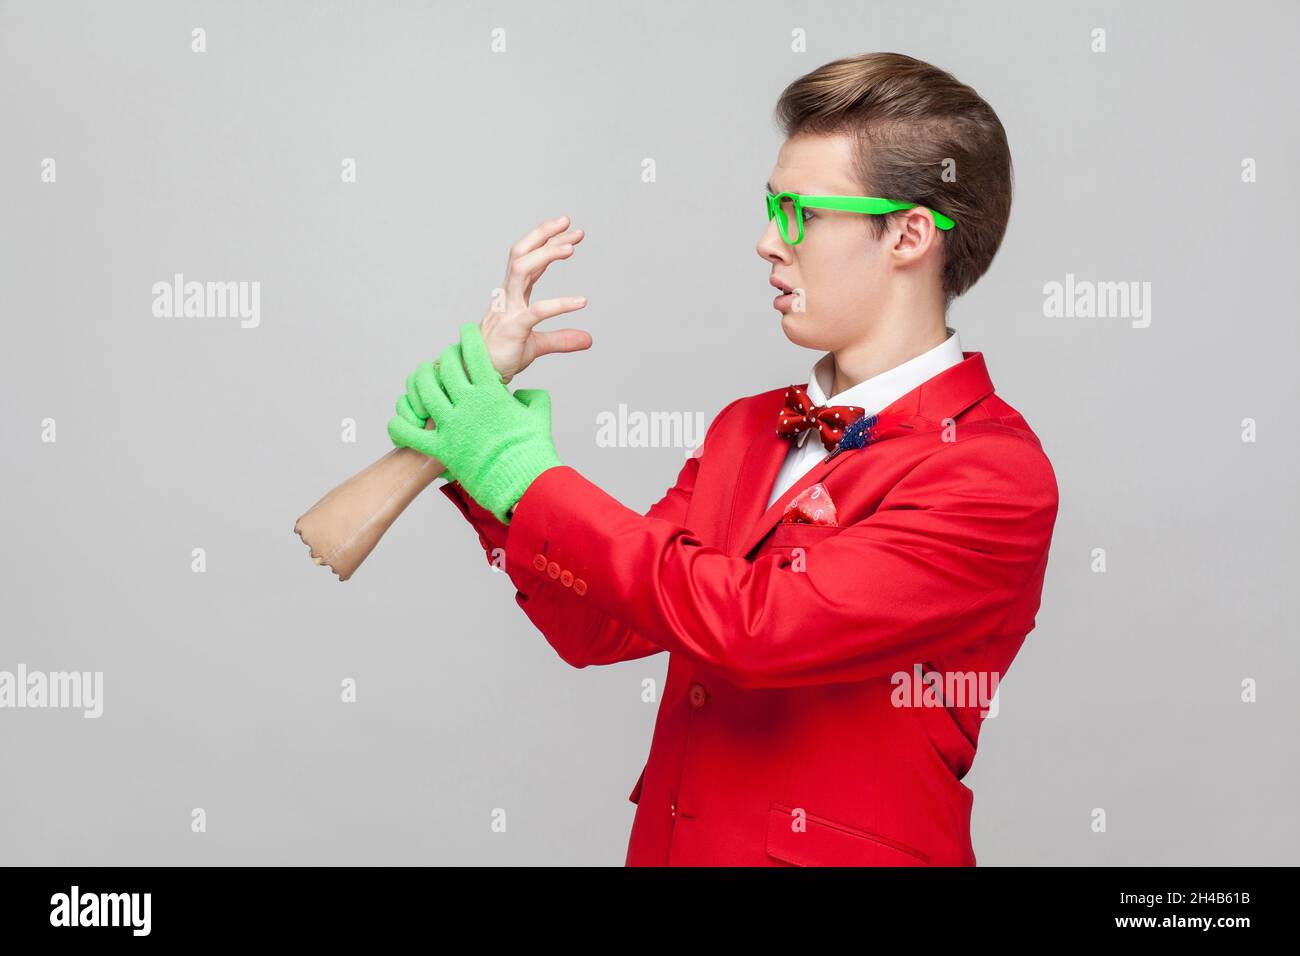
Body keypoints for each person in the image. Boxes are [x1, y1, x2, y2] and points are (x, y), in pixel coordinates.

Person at [388, 52, 1059, 866]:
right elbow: (599, 622)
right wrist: (474, 451)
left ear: (910, 234)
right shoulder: (748, 429)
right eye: (770, 207)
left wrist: (525, 474)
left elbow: (756, 629)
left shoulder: (992, 474)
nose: (767, 243)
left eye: (800, 213)